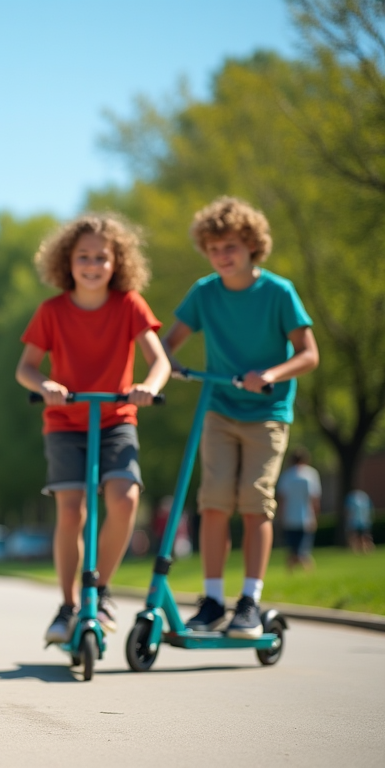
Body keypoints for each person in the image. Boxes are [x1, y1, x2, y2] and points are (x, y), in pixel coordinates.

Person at [163, 196, 319, 638]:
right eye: (213, 249)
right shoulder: (204, 292)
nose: (221, 256)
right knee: (213, 502)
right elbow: (166, 342)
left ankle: (249, 601)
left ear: (252, 245)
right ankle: (212, 602)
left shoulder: (278, 292)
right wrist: (166, 364)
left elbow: (309, 354)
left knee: (255, 501)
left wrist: (270, 373)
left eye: (229, 246)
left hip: (268, 411)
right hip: (219, 408)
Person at [15, 213, 170, 645]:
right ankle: (68, 606)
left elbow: (159, 361)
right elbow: (25, 368)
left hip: (116, 418)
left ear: (117, 262)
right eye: (83, 256)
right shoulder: (52, 311)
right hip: (66, 422)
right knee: (72, 511)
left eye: (102, 257)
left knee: (125, 498)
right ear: (68, 260)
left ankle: (98, 591)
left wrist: (147, 387)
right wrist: (45, 384)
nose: (92, 264)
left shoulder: (129, 305)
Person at [276, 447, 321, 572]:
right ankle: (308, 573)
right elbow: (314, 498)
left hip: (289, 518)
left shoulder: (287, 476)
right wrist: (315, 516)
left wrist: (280, 517)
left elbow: (282, 499)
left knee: (292, 550)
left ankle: (290, 574)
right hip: (306, 518)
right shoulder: (311, 474)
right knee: (303, 551)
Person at [345, 488, 375, 553]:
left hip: (357, 522)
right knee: (362, 536)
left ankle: (360, 549)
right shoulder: (365, 497)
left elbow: (349, 511)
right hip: (363, 521)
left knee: (358, 536)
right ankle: (364, 549)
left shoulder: (352, 498)